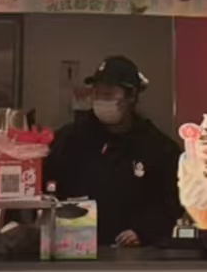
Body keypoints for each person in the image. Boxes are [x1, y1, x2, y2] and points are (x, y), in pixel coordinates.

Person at [44, 55, 182, 249]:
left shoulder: (157, 147)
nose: (101, 100)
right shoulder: (70, 138)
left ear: (131, 96)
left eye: (108, 94)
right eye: (97, 93)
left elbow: (171, 202)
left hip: (133, 255)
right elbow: (47, 188)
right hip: (73, 249)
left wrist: (144, 231)